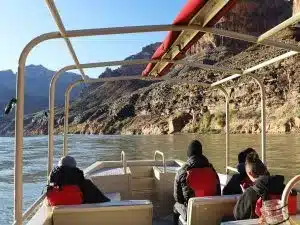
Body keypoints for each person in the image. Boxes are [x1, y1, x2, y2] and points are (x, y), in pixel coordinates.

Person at [233, 152, 295, 220]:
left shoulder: (249, 192)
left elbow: (238, 215)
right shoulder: (285, 189)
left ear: (250, 173)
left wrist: (245, 195)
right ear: (265, 168)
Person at [173, 140, 221, 225]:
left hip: (191, 212)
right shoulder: (212, 170)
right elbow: (218, 193)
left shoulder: (182, 171)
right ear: (201, 152)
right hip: (210, 210)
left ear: (189, 153)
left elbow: (178, 198)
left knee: (176, 206)